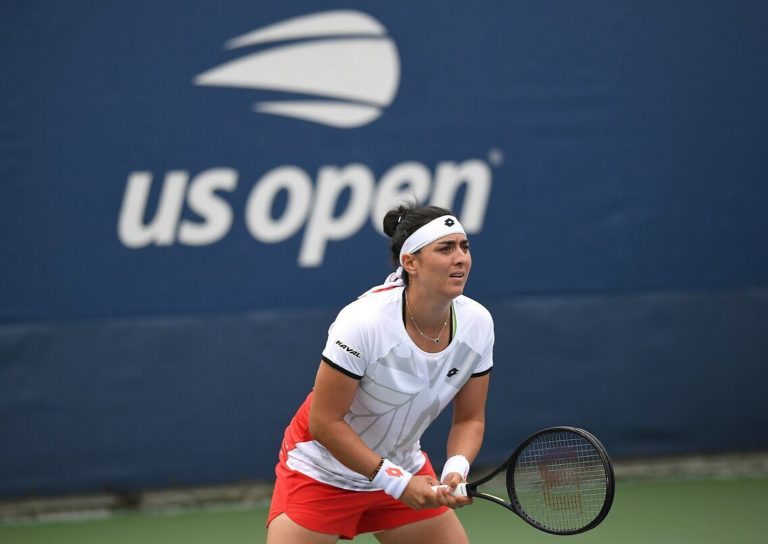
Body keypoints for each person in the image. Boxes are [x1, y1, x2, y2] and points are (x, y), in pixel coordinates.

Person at [266, 204, 495, 543]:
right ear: (410, 263)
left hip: (403, 466)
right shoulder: (363, 322)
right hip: (322, 472)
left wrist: (455, 469)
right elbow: (324, 422)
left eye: (464, 246)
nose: (460, 258)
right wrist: (396, 482)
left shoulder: (478, 323)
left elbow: (469, 419)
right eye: (445, 249)